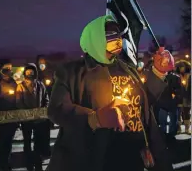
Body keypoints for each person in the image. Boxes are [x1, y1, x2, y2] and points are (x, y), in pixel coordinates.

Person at [46, 16, 174, 171]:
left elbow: (144, 103)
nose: (118, 40)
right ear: (95, 38)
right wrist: (95, 119)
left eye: (118, 35)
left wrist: (159, 72)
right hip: (97, 155)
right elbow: (56, 109)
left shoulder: (126, 67)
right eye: (111, 36)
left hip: (132, 152)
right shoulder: (72, 72)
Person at [16, 63, 50, 171]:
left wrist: (44, 109)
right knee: (27, 141)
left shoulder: (40, 85)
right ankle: (28, 163)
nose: (30, 73)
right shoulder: (20, 86)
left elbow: (46, 99)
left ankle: (38, 163)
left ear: (35, 72)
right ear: (25, 73)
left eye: (32, 72)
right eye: (28, 72)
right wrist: (27, 113)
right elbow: (19, 102)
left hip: (39, 119)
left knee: (38, 142)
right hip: (26, 120)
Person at [176, 61, 191, 134]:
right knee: (178, 113)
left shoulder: (190, 76)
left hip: (187, 97)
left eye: (183, 67)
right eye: (180, 67)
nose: (182, 69)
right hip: (179, 97)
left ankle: (187, 129)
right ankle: (179, 128)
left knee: (186, 113)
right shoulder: (176, 76)